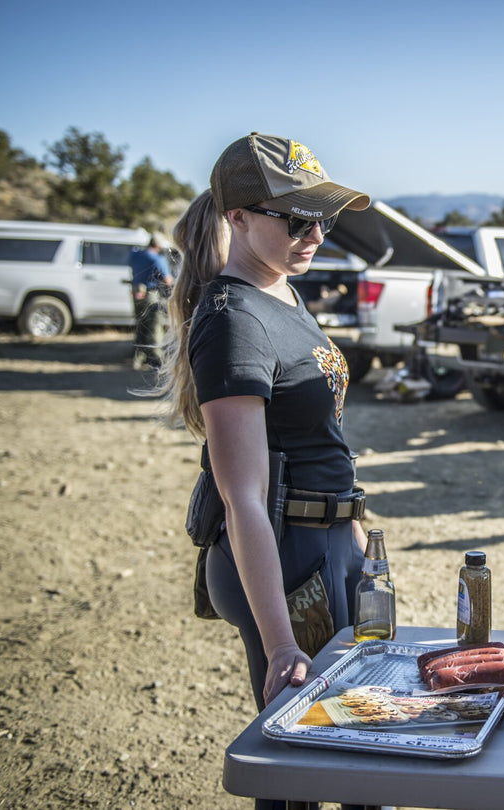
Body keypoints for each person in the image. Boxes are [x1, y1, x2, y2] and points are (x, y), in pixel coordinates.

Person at [158, 133, 373, 810]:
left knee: (361, 744)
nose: (314, 234)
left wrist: (358, 543)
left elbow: (319, 438)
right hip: (285, 558)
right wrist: (281, 643)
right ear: (239, 217)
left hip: (327, 547)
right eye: (296, 218)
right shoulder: (231, 317)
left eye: (323, 219)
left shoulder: (281, 291)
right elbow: (242, 494)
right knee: (307, 757)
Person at [127, 233, 175, 369]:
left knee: (140, 324)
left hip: (136, 293)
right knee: (154, 326)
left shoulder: (135, 255)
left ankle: (138, 358)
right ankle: (156, 358)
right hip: (151, 295)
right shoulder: (157, 259)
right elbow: (168, 279)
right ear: (158, 245)